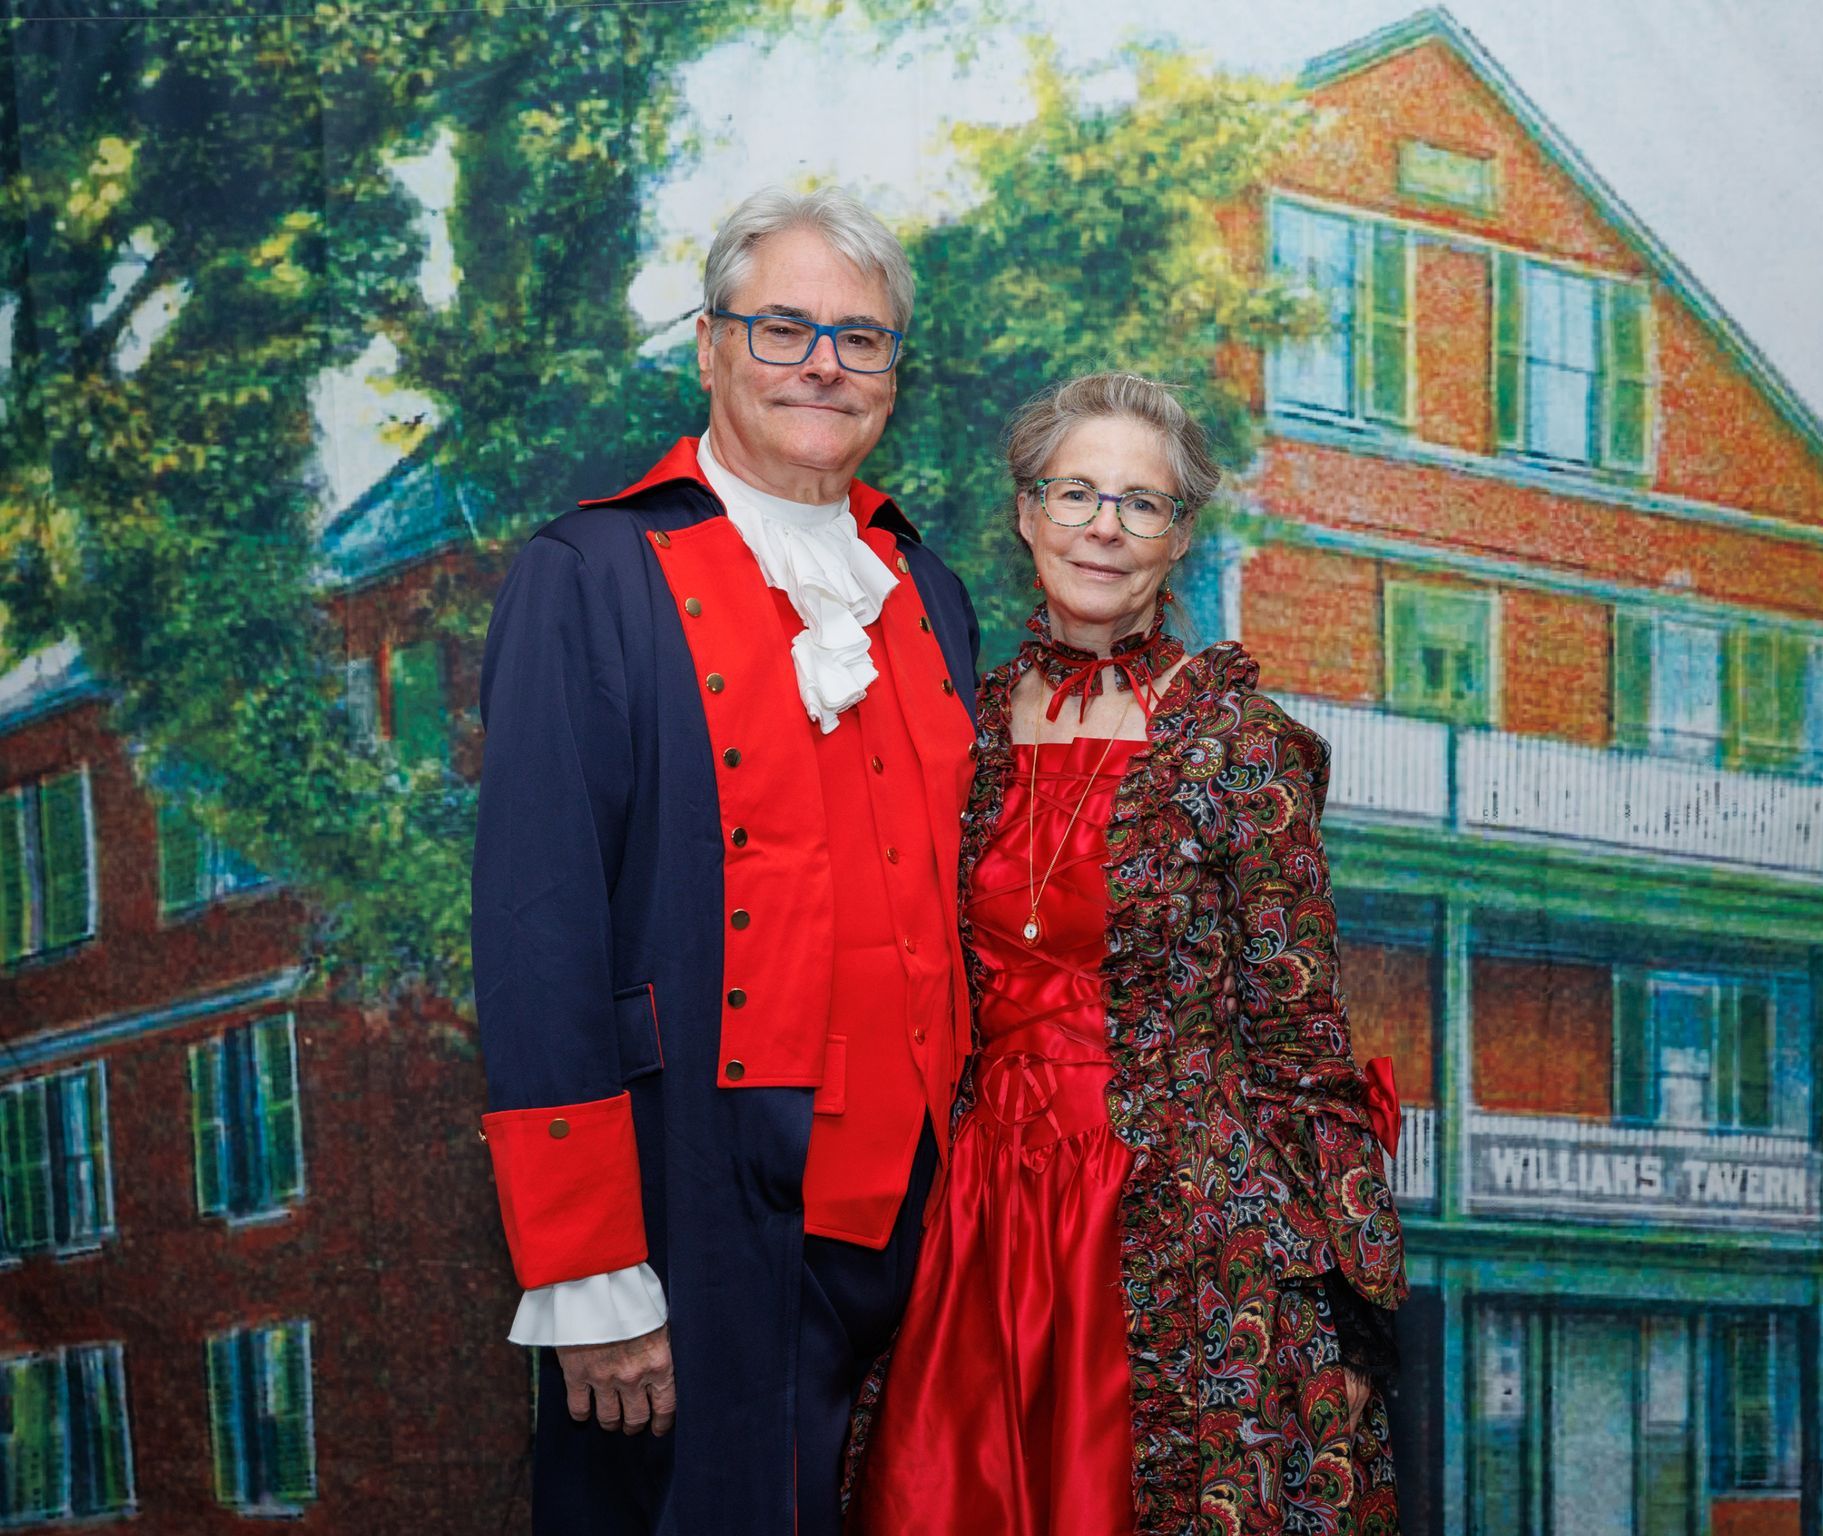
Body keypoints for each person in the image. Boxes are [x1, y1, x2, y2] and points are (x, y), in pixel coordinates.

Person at [471, 186, 979, 1535]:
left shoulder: (927, 590)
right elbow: (535, 933)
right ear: (709, 348)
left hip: (923, 1224)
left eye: (861, 339)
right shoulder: (591, 572)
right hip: (689, 1202)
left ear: (895, 372)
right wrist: (590, 1274)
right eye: (783, 327)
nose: (824, 364)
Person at [848, 373, 1406, 1535]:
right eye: (1076, 494)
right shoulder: (960, 728)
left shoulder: (1241, 744)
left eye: (1141, 504)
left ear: (1179, 535)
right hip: (982, 1218)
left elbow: (1301, 1038)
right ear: (1026, 513)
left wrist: (1337, 1305)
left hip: (1183, 1227)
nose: (1103, 528)